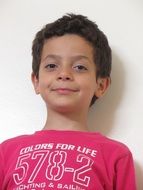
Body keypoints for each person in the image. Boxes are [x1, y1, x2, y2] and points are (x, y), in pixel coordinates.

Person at [0, 14, 136, 190]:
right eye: (51, 66)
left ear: (101, 85)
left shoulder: (116, 156)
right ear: (36, 81)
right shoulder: (6, 153)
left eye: (79, 67)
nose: (63, 74)